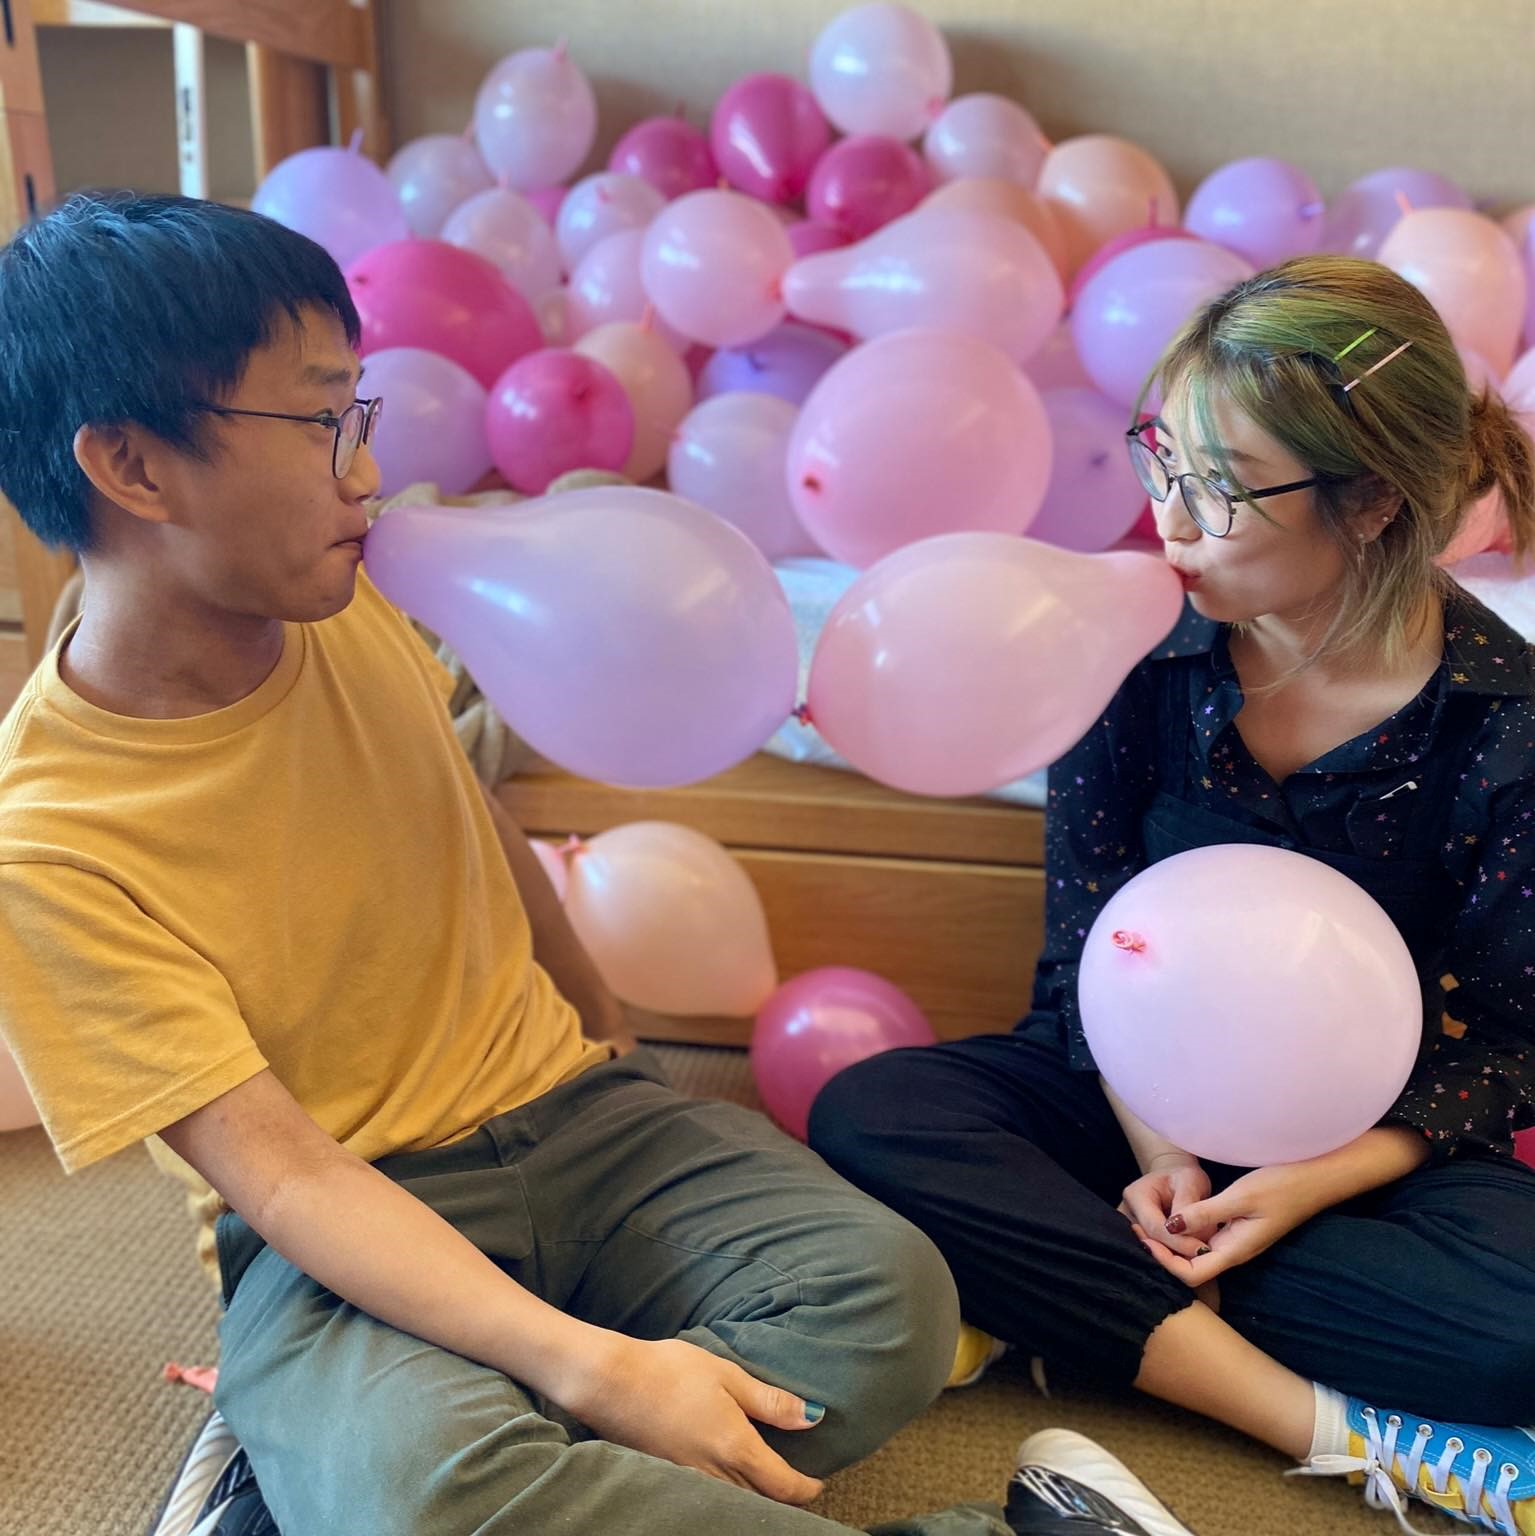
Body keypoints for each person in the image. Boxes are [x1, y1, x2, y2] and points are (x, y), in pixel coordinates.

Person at [0, 190, 1084, 1536]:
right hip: (339, 1214)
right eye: (318, 417)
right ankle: (396, 1448)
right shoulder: (47, 836)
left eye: (363, 413)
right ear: (136, 469)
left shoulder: (346, 605)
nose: (362, 469)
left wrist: (606, 1035)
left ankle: (339, 1461)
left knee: (889, 1302)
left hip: (575, 1120)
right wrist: (596, 1364)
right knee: (421, 1496)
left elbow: (461, 805)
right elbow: (284, 1175)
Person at [811, 256, 1535, 1536]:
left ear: (1366, 504)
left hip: (1369, 1153)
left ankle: (1053, 1300)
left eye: (1217, 486)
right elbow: (1081, 952)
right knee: (875, 1113)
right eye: (1160, 458)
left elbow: (1507, 1043)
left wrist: (1299, 1185)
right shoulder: (1125, 649)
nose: (1167, 516)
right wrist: (1162, 1156)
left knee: (1519, 1330)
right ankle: (1320, 1424)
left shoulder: (1502, 727)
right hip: (1125, 1112)